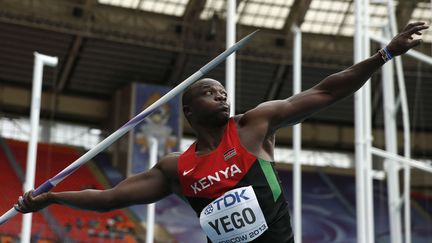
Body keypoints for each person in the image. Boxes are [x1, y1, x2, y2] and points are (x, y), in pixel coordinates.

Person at [15, 22, 428, 242]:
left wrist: (384, 54)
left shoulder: (255, 125)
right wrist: (50, 198)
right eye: (212, 93)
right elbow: (110, 198)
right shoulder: (177, 168)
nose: (223, 97)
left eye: (224, 92)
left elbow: (325, 90)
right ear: (190, 109)